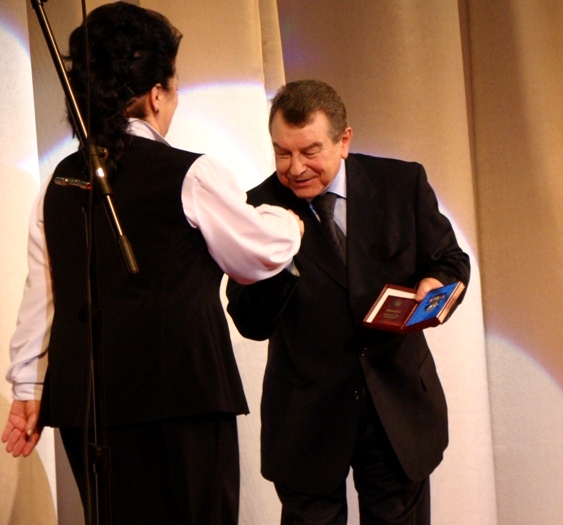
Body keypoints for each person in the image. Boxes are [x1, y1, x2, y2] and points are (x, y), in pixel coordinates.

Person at [1, 3, 303, 524]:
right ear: (156, 93)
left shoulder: (59, 183)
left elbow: (43, 296)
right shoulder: (191, 174)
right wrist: (288, 221)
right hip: (180, 398)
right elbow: (257, 254)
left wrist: (27, 387)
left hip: (88, 404)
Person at [226, 79, 471, 525]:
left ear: (344, 140)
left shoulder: (401, 183)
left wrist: (434, 285)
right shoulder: (257, 209)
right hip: (306, 421)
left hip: (396, 412)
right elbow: (249, 321)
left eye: (310, 151)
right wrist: (281, 258)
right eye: (282, 153)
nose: (295, 168)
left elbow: (451, 260)